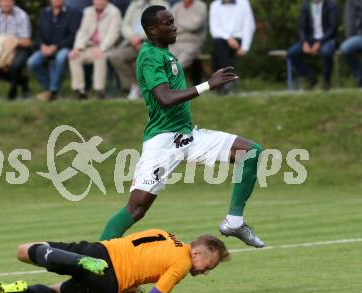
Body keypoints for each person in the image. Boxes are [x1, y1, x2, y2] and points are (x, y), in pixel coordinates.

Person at [98, 6, 266, 248]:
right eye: (168, 23)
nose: (174, 26)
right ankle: (96, 258)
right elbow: (164, 97)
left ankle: (234, 222)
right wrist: (208, 84)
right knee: (136, 209)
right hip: (163, 141)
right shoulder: (149, 56)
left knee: (251, 151)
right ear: (153, 30)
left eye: (173, 21)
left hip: (187, 136)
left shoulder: (164, 53)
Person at [0, 229, 229, 293]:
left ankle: (77, 262)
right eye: (209, 265)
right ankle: (23, 292)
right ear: (196, 252)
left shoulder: (164, 233)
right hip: (108, 286)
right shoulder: (183, 263)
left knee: (24, 250)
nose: (206, 271)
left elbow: (133, 247)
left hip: (101, 252)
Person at [108, 0, 169, 100]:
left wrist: (140, 38)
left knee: (143, 58)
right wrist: (132, 37)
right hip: (133, 43)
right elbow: (124, 25)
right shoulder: (134, 5)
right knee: (115, 56)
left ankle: (150, 88)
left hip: (153, 43)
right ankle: (133, 87)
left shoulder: (161, 5)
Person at [28, 0, 81, 102]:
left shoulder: (72, 13)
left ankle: (53, 90)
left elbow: (73, 36)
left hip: (64, 47)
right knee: (32, 62)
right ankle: (50, 88)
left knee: (60, 58)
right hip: (45, 48)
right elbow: (38, 33)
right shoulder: (44, 13)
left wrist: (56, 47)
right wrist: (42, 46)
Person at [69, 0, 122, 99]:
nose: (99, 2)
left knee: (100, 57)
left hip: (107, 47)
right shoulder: (88, 11)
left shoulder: (114, 12)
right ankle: (80, 91)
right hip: (90, 46)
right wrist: (77, 47)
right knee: (74, 57)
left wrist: (101, 49)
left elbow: (113, 34)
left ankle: (99, 91)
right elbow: (83, 31)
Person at [0, 0, 32, 101]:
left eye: (9, 0)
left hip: (19, 46)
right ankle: (23, 83)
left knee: (15, 64)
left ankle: (13, 89)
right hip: (0, 47)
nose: (6, 3)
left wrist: (13, 42)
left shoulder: (22, 15)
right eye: (4, 1)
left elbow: (27, 41)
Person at [287, 0, 339, 91]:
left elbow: (333, 28)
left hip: (328, 39)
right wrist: (304, 42)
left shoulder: (331, 5)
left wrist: (320, 43)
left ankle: (326, 80)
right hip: (310, 40)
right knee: (292, 53)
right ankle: (310, 77)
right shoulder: (306, 6)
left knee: (326, 52)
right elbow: (302, 27)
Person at [209, 0, 255, 94]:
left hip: (238, 40)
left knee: (216, 51)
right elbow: (214, 29)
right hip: (221, 39)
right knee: (217, 45)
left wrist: (245, 47)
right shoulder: (215, 5)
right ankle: (228, 81)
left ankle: (221, 83)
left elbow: (249, 25)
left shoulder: (244, 3)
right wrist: (228, 38)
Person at [170, 0, 207, 69]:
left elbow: (194, 26)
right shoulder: (176, 7)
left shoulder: (201, 6)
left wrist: (179, 23)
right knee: (164, 63)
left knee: (176, 67)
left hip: (193, 43)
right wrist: (189, 23)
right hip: (175, 43)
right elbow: (170, 25)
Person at [340, 0, 362, 88]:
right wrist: (350, 37)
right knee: (345, 48)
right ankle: (361, 78)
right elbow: (348, 19)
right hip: (360, 36)